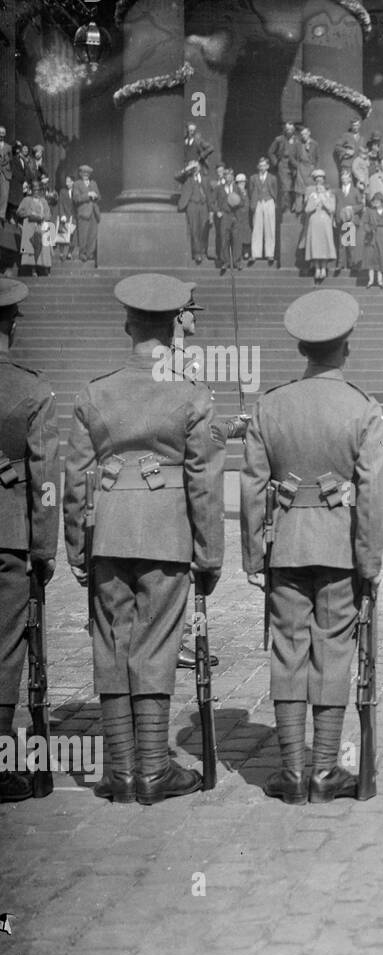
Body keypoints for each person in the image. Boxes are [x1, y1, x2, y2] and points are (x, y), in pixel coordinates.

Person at [62, 274, 225, 804]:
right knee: (155, 642)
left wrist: (77, 549)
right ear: (174, 324)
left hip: (108, 534)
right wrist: (209, 557)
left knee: (112, 643)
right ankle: (154, 771)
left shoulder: (95, 392)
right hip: (165, 534)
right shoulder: (192, 395)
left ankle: (121, 772)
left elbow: (77, 480)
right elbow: (204, 485)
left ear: (128, 323)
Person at [240, 290, 383, 804]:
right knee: (333, 652)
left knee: (288, 651)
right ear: (344, 348)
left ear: (303, 348)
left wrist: (255, 554)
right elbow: (370, 497)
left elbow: (252, 484)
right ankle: (325, 772)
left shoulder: (271, 405)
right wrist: (369, 561)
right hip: (340, 548)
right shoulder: (363, 410)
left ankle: (291, 773)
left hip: (285, 547)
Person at [0, 281, 58, 803]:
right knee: (4, 651)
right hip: (8, 536)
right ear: (12, 325)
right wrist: (44, 550)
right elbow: (45, 481)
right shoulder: (32, 391)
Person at [302, 169, 337, 284]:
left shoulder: (329, 195)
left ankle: (324, 268)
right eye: (317, 183)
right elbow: (307, 209)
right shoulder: (312, 195)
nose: (319, 186)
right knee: (316, 245)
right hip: (314, 222)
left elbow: (332, 209)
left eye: (321, 182)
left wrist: (324, 201)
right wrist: (315, 202)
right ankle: (317, 268)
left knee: (325, 244)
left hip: (326, 222)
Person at [359, 190, 383, 289]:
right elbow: (364, 223)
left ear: (382, 201)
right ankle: (370, 280)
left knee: (381, 257)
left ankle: (380, 281)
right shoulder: (369, 211)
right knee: (371, 257)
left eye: (378, 200)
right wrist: (369, 229)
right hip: (371, 236)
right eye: (375, 200)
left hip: (382, 235)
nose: (376, 202)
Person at [176, 160, 209, 265]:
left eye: (197, 166)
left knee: (203, 229)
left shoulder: (204, 178)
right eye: (193, 166)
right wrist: (188, 169)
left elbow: (209, 192)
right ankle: (197, 253)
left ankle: (203, 252)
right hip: (192, 205)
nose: (196, 168)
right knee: (194, 229)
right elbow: (176, 176)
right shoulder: (187, 178)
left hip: (203, 205)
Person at [248, 156, 278, 265]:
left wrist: (271, 201)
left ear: (268, 166)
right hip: (258, 202)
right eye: (261, 165)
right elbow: (251, 191)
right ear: (258, 166)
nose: (262, 167)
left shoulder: (272, 178)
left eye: (264, 165)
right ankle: (255, 254)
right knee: (257, 228)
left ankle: (270, 254)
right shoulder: (253, 178)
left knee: (270, 228)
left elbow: (275, 191)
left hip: (269, 201)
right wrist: (255, 201)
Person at [16, 183, 51, 275]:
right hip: (29, 228)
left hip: (40, 228)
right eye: (34, 190)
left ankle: (41, 269)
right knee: (29, 250)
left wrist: (42, 217)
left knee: (40, 249)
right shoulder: (26, 200)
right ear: (31, 190)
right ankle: (32, 270)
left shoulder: (43, 201)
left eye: (38, 190)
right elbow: (19, 212)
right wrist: (29, 213)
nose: (36, 192)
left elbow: (48, 215)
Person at [72, 164, 99, 263]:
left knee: (92, 234)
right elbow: (76, 198)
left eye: (87, 173)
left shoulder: (93, 183)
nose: (86, 175)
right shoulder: (77, 184)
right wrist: (88, 195)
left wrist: (96, 196)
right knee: (83, 234)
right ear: (80, 173)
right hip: (83, 212)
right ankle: (82, 253)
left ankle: (90, 253)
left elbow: (99, 196)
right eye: (84, 173)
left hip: (93, 212)